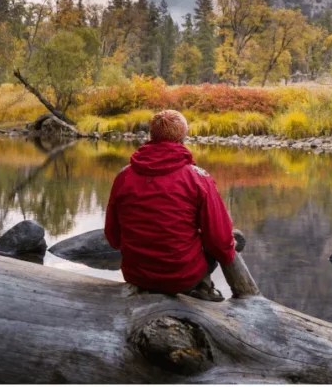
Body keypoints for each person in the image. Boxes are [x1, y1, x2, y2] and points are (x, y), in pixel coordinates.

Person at [104, 109, 242, 301]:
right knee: (217, 242)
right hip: (183, 277)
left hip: (136, 275)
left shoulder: (124, 175)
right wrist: (228, 252)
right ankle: (203, 290)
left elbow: (113, 236)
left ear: (151, 135)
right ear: (184, 136)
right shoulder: (198, 178)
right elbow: (220, 240)